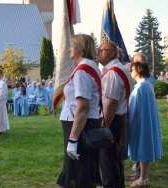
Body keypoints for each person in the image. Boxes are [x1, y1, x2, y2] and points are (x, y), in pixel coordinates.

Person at [57, 34, 102, 188]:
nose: (69, 49)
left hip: (81, 125)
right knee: (84, 168)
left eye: (72, 46)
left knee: (80, 171)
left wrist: (73, 139)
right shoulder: (88, 66)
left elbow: (83, 107)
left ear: (80, 49)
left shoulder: (83, 70)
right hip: (84, 123)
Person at [97, 41, 134, 188]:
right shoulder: (120, 69)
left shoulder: (113, 72)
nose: (98, 53)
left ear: (111, 53)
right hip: (120, 119)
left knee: (109, 165)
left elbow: (112, 103)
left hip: (113, 120)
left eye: (101, 50)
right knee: (115, 162)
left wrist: (104, 125)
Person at [127, 62, 163, 187]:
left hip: (141, 122)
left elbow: (136, 107)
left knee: (144, 148)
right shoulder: (144, 85)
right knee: (144, 148)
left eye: (132, 69)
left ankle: (143, 179)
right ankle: (143, 177)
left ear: (138, 70)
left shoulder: (142, 86)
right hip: (143, 121)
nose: (130, 72)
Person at [0, 69, 10, 134]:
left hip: (0, 102)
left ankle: (0, 129)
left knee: (0, 116)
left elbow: (2, 94)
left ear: (0, 75)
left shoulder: (2, 83)